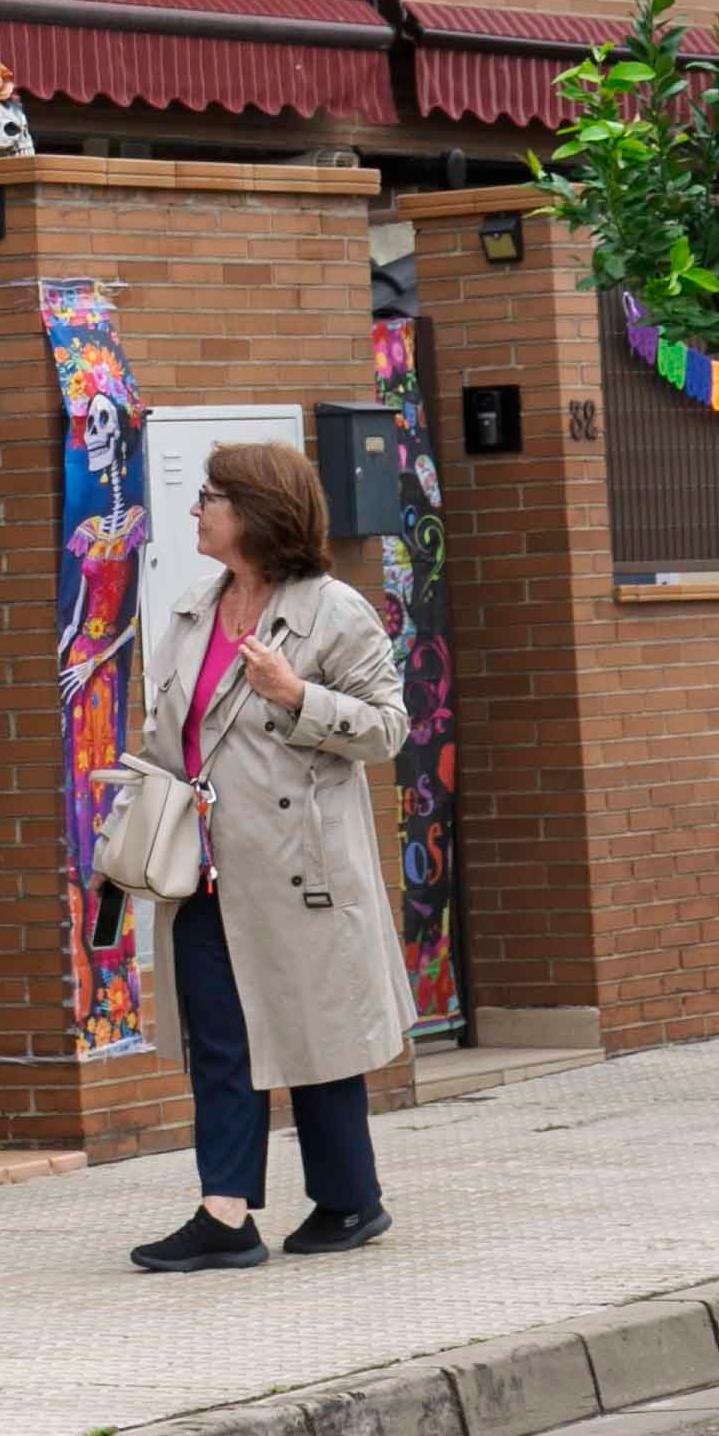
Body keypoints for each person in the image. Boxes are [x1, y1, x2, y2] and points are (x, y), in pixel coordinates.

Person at [124, 439, 416, 1272]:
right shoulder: (189, 612)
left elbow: (388, 727)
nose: (196, 510)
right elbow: (171, 736)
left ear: (255, 512)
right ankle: (224, 1214)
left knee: (314, 1038)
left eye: (210, 496)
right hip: (204, 865)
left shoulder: (334, 611)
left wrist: (298, 697)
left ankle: (350, 1200)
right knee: (220, 1040)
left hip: (298, 863)